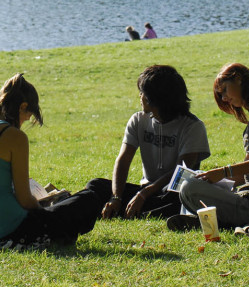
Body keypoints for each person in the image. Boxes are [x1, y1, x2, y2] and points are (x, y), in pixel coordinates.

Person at [0, 73, 102, 247]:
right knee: (91, 195)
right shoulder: (13, 136)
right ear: (22, 107)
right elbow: (24, 199)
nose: (23, 123)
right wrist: (42, 210)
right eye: (26, 118)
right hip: (11, 229)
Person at [168, 62, 249, 230]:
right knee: (193, 181)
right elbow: (246, 174)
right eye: (221, 95)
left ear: (238, 79)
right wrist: (213, 179)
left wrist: (223, 172)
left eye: (225, 90)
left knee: (189, 187)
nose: (224, 99)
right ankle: (208, 220)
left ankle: (209, 221)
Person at [87, 65, 210, 219]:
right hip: (146, 190)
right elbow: (123, 160)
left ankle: (134, 212)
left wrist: (143, 194)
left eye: (143, 93)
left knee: (178, 199)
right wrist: (116, 197)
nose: (140, 96)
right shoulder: (138, 120)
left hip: (171, 192)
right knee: (95, 185)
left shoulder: (192, 126)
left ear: (155, 99)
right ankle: (136, 211)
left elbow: (181, 171)